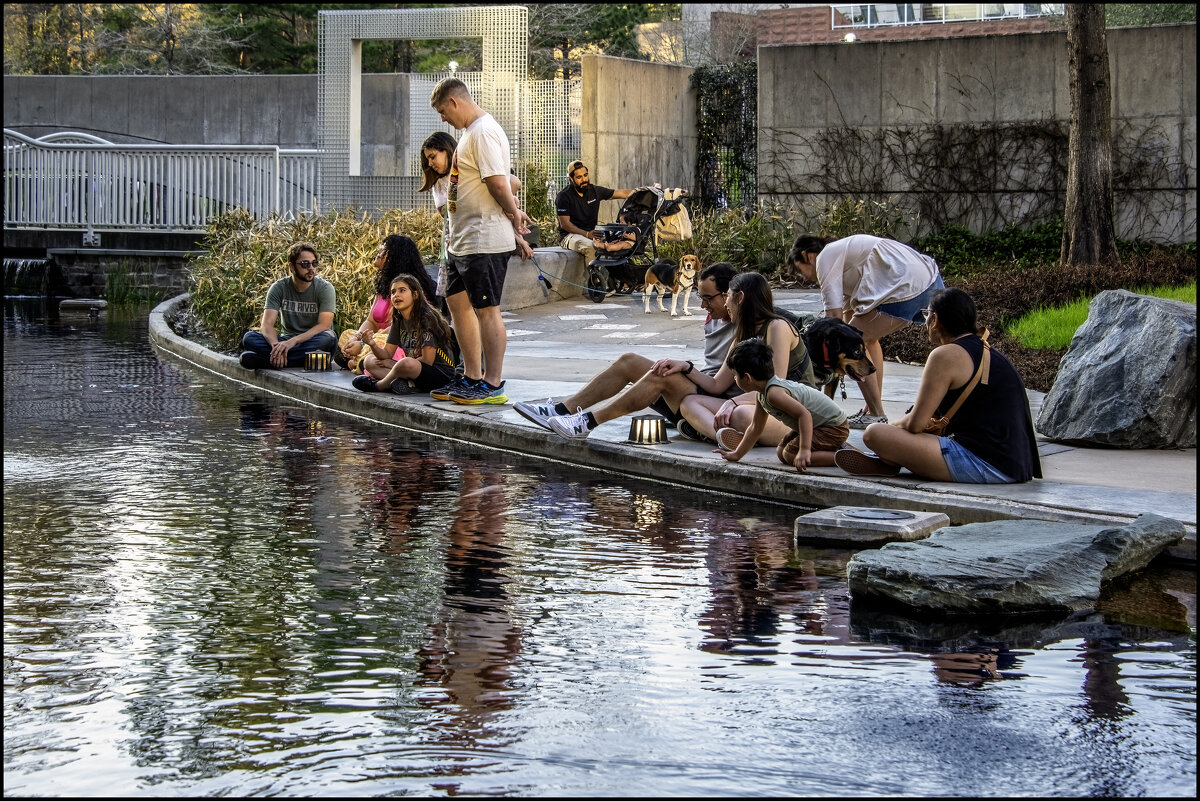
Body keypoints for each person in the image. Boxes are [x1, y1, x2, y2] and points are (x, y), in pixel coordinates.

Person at [514, 262, 743, 439]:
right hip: (699, 389)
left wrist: (686, 367)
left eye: (708, 298)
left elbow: (719, 384)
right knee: (629, 360)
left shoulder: (745, 325)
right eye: (700, 297)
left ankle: (587, 422)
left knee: (661, 374)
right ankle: (562, 410)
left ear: (730, 296)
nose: (702, 305)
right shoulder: (714, 317)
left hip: (711, 403)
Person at [835, 287, 1042, 483]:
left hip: (985, 464)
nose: (925, 322)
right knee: (892, 434)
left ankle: (890, 460)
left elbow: (916, 424)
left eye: (926, 315)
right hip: (1017, 466)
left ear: (935, 320)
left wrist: (891, 429)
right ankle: (889, 461)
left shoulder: (945, 355)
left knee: (874, 434)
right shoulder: (990, 352)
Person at [428, 77, 534, 405]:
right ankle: (471, 376)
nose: (443, 118)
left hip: (483, 239)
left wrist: (513, 213)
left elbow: (498, 182)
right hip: (461, 241)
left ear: (455, 102)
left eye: (443, 111)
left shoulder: (484, 131)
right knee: (458, 306)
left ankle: (492, 383)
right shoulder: (469, 134)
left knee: (487, 310)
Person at [788, 233, 945, 428]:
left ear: (807, 255)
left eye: (799, 270)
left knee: (854, 342)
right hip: (930, 281)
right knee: (866, 340)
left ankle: (876, 413)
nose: (803, 278)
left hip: (907, 284)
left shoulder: (825, 257)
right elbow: (847, 319)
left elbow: (833, 321)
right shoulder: (843, 257)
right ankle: (872, 411)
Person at [675, 271, 816, 445]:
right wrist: (686, 367)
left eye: (728, 295)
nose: (725, 303)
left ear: (740, 297)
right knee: (689, 403)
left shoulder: (778, 327)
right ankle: (724, 437)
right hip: (764, 409)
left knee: (741, 414)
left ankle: (719, 433)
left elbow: (775, 388)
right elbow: (717, 385)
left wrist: (733, 403)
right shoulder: (743, 334)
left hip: (797, 414)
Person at [420, 131, 527, 307]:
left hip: (480, 241)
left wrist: (513, 216)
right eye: (428, 160)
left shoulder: (469, 171)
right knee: (456, 301)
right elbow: (450, 214)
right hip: (455, 242)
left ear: (447, 150)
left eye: (433, 157)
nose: (430, 163)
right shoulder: (438, 184)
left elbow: (513, 183)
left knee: (481, 303)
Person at [715, 338, 849, 472]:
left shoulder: (774, 393)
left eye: (735, 375)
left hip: (833, 426)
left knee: (791, 455)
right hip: (818, 426)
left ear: (747, 378)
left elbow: (804, 415)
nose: (734, 379)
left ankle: (841, 456)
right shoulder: (762, 394)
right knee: (781, 452)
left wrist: (804, 450)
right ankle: (836, 447)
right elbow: (755, 427)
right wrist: (737, 454)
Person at [336, 234, 433, 375]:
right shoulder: (384, 286)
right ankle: (358, 362)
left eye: (384, 249)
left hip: (396, 342)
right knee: (346, 335)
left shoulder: (412, 288)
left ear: (395, 257)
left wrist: (363, 343)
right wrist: (356, 337)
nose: (379, 251)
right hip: (373, 338)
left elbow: (403, 327)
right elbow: (371, 321)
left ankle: (360, 363)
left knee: (378, 342)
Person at [350, 273, 458, 396]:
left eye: (402, 290)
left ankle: (379, 386)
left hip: (440, 375)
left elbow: (427, 361)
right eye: (393, 292)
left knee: (406, 363)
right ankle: (406, 384)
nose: (396, 295)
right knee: (369, 361)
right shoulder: (398, 320)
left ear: (415, 295)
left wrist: (393, 364)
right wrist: (372, 344)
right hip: (413, 371)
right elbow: (387, 353)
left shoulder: (426, 320)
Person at [239, 242, 336, 369]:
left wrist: (293, 342)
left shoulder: (325, 288)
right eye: (305, 264)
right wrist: (276, 346)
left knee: (328, 339)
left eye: (314, 263)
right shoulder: (279, 287)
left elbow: (324, 325)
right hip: (285, 341)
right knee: (249, 338)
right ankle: (294, 360)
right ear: (292, 266)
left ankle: (266, 361)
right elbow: (267, 325)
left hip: (312, 340)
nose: (311, 268)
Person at [555, 160, 635, 265]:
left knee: (616, 244)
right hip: (570, 236)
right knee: (592, 247)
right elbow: (565, 224)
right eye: (579, 177)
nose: (584, 180)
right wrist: (587, 234)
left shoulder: (594, 191)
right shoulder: (563, 196)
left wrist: (645, 191)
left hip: (592, 235)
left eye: (585, 175)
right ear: (571, 178)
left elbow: (621, 193)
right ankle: (592, 275)